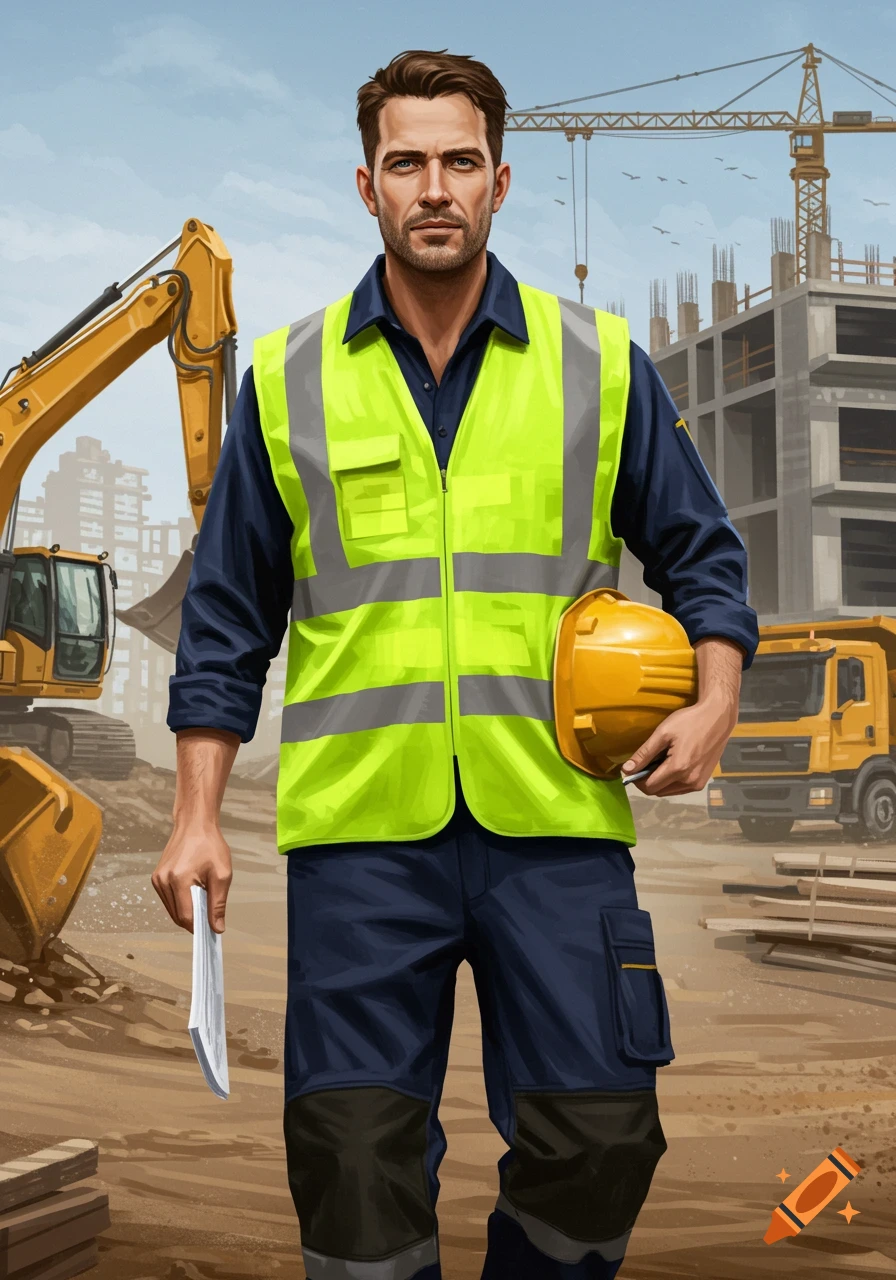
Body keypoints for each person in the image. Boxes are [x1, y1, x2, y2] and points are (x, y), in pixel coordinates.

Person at [154, 48, 759, 1280]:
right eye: (407, 163)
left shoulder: (595, 363)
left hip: (552, 820)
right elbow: (225, 619)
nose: (435, 187)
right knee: (352, 1153)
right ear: (365, 185)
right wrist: (194, 816)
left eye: (460, 162)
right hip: (362, 839)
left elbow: (700, 550)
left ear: (499, 182)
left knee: (601, 1132)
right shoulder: (286, 380)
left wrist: (714, 701)